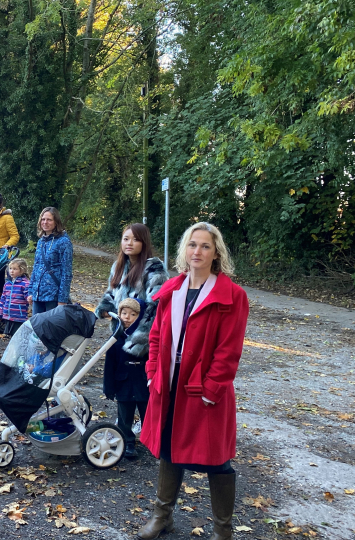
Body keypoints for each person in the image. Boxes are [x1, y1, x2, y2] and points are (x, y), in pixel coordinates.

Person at [137, 222, 249, 540]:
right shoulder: (173, 289)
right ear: (184, 250)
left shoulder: (232, 296)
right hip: (169, 385)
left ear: (216, 254)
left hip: (203, 390)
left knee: (216, 460)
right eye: (192, 245)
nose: (197, 251)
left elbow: (229, 351)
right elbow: (156, 336)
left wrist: (213, 389)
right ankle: (162, 517)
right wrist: (152, 373)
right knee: (169, 449)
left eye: (205, 246)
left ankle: (222, 531)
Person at [96, 223, 168, 359]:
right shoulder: (118, 267)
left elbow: (156, 307)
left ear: (144, 242)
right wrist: (105, 307)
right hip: (118, 332)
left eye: (136, 239)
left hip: (141, 341)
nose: (130, 243)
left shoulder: (154, 269)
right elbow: (111, 292)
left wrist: (138, 341)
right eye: (126, 239)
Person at [102, 297, 149, 459]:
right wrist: (108, 386)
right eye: (124, 313)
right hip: (123, 383)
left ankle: (150, 440)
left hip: (143, 383)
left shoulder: (146, 338)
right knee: (124, 416)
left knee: (148, 414)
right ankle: (127, 441)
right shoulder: (115, 339)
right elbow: (109, 365)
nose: (127, 317)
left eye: (133, 314)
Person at [28, 207, 73, 314]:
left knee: (51, 329)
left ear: (56, 222)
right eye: (43, 219)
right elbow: (36, 268)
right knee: (37, 328)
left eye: (49, 220)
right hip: (38, 295)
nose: (45, 222)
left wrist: (62, 299)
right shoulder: (41, 242)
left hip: (53, 296)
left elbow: (66, 273)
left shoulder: (64, 242)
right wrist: (31, 291)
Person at [0, 258, 31, 337]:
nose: (11, 271)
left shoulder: (25, 284)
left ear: (22, 270)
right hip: (8, 315)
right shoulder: (7, 284)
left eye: (15, 269)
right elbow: (3, 299)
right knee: (7, 337)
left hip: (19, 315)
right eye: (10, 268)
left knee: (18, 336)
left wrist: (30, 298)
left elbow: (28, 298)